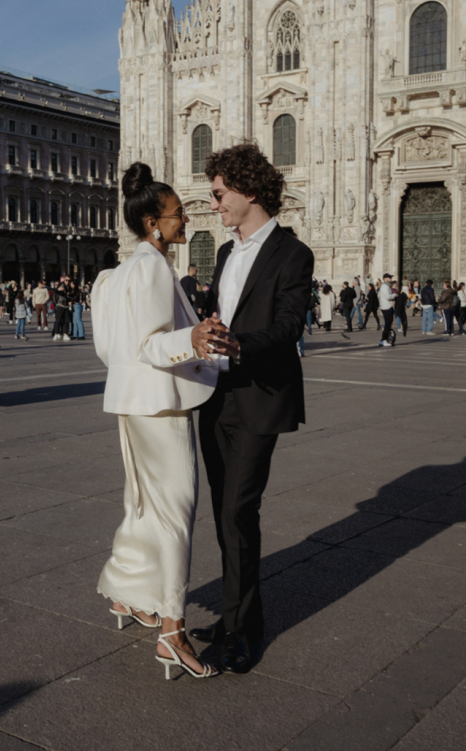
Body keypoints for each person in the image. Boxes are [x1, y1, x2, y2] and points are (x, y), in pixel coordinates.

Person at [91, 161, 220, 680]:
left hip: (130, 400)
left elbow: (112, 349)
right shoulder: (150, 268)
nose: (184, 220)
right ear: (152, 224)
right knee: (174, 512)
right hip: (159, 403)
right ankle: (172, 630)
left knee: (143, 503)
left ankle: (127, 593)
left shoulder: (115, 273)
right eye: (176, 214)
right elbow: (147, 344)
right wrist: (189, 339)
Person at [190, 143, 314, 674]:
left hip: (259, 394)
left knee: (240, 509)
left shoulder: (293, 253)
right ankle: (238, 614)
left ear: (250, 191)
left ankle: (241, 631)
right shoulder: (224, 252)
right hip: (216, 395)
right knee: (223, 511)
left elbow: (289, 326)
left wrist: (242, 345)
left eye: (219, 194)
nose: (213, 203)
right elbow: (220, 310)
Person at [379, 273, 395, 347]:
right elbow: (388, 296)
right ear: (385, 279)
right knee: (388, 324)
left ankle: (383, 339)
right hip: (386, 307)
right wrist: (395, 295)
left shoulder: (387, 286)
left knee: (388, 324)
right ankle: (384, 340)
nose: (391, 279)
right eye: (390, 278)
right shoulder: (385, 287)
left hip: (387, 306)